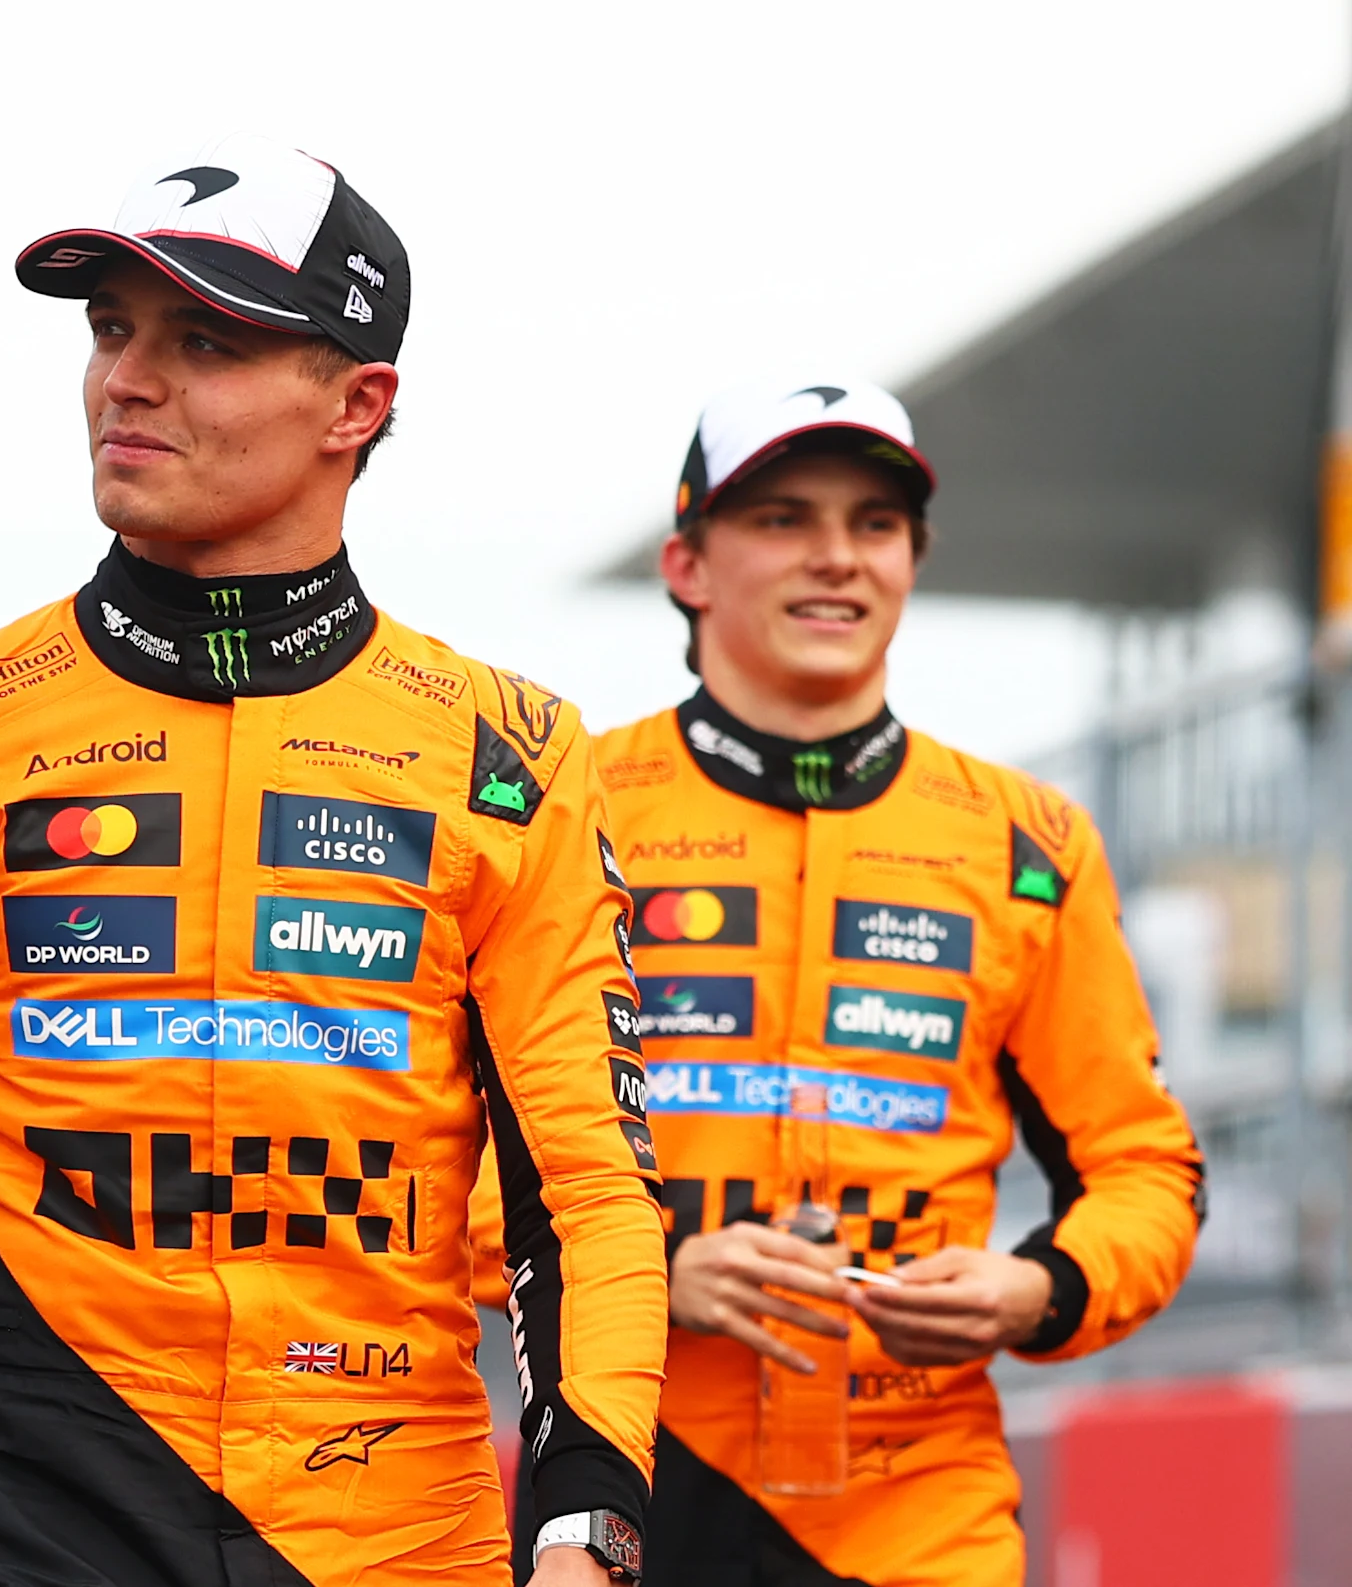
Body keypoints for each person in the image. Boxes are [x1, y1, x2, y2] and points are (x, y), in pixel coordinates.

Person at [0, 146, 668, 1587]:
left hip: (391, 1533)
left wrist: (587, 1524)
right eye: (110, 331)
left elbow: (581, 1192)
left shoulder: (512, 755)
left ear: (357, 402)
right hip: (27, 1520)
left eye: (204, 341)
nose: (126, 381)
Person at [475, 380, 1202, 1586]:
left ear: (912, 560)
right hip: (621, 1481)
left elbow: (1143, 1168)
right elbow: (426, 1148)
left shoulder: (1026, 843)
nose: (834, 558)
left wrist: (1033, 1286)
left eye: (874, 523)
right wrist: (642, 1274)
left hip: (919, 1508)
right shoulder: (568, 805)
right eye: (780, 518)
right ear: (687, 564)